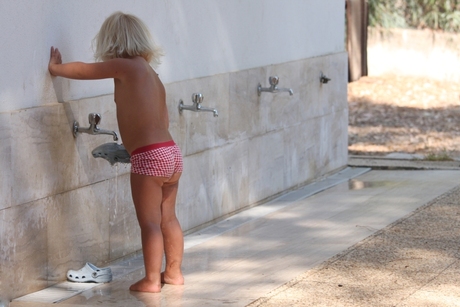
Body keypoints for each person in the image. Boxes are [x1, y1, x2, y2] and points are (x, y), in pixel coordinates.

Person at [48, 11, 184, 293]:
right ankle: (173, 274)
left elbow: (85, 70)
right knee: (168, 217)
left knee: (149, 222)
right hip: (171, 152)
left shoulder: (124, 66)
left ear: (112, 41)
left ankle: (150, 280)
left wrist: (57, 69)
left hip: (149, 157)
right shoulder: (151, 73)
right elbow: (163, 119)